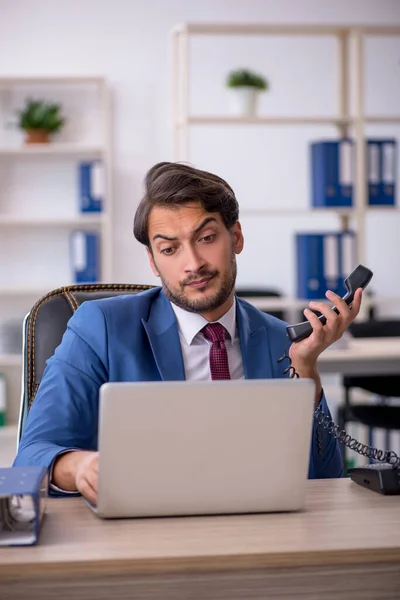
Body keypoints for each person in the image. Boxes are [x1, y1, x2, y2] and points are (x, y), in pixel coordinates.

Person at [14, 162, 362, 504]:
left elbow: (326, 481)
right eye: (169, 249)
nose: (193, 263)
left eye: (207, 238)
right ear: (152, 261)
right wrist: (81, 467)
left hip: (255, 531)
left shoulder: (282, 340)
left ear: (235, 237)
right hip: (145, 534)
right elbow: (32, 454)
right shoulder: (100, 327)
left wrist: (306, 371)